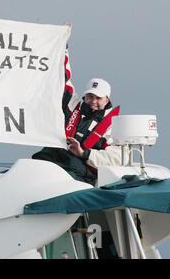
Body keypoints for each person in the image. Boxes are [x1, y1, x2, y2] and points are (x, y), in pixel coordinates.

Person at [32, 24, 121, 185]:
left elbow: (115, 159)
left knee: (47, 179)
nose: (92, 101)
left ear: (107, 99)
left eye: (98, 98)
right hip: (52, 162)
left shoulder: (112, 127)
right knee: (29, 171)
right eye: (89, 96)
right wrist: (62, 43)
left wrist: (84, 153)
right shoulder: (73, 105)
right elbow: (61, 76)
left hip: (80, 175)